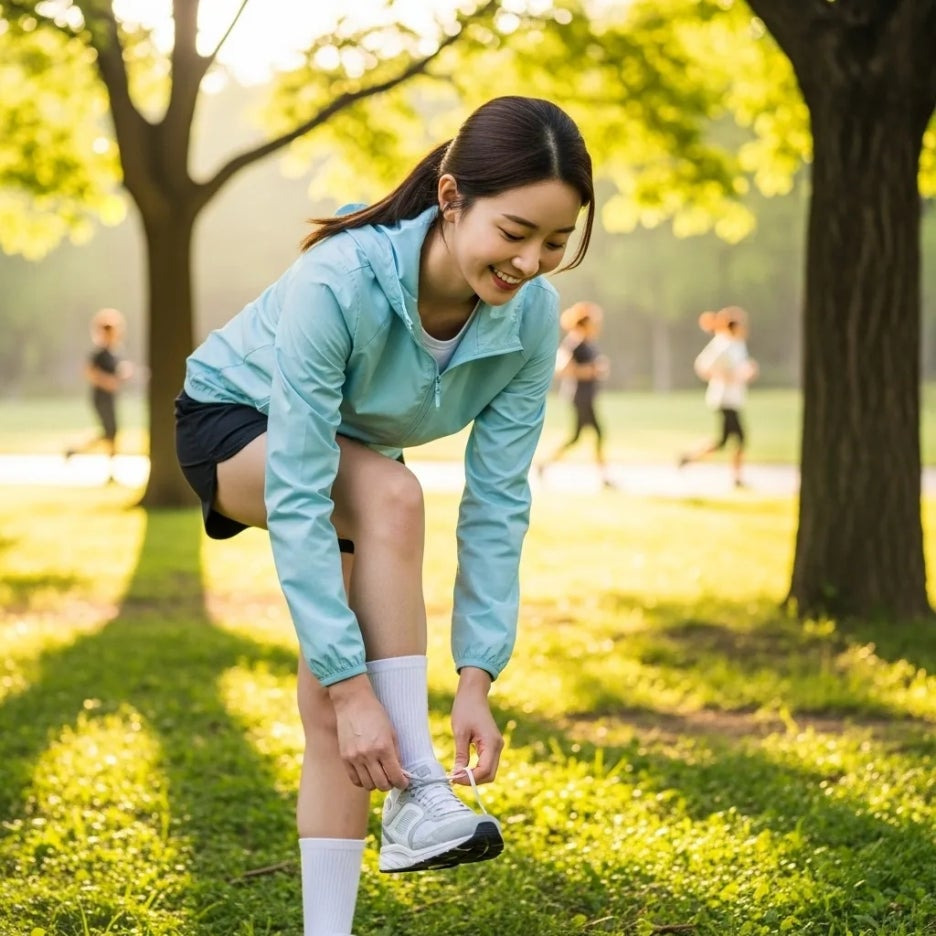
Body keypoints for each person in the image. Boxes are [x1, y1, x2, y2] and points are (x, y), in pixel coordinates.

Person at [174, 96, 595, 936]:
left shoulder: (533, 322)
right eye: (514, 232)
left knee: (338, 710)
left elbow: (499, 502)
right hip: (237, 420)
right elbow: (298, 489)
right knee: (389, 507)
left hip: (354, 459)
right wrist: (352, 682)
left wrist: (477, 675)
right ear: (450, 198)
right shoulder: (341, 279)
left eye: (555, 242)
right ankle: (420, 795)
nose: (531, 262)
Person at [678, 305, 758, 487]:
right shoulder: (722, 344)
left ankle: (690, 458)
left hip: (735, 398)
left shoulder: (738, 344)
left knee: (725, 440)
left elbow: (740, 369)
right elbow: (703, 366)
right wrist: (725, 376)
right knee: (738, 438)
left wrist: (748, 372)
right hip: (724, 399)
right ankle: (736, 477)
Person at [537, 300, 613, 487]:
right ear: (584, 323)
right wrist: (590, 371)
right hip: (579, 396)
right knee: (590, 435)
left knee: (581, 436)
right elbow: (562, 369)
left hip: (587, 395)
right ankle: (603, 477)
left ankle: (545, 465)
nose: (597, 325)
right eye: (594, 321)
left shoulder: (588, 342)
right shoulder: (575, 342)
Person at [65, 307, 134, 482]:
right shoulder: (99, 353)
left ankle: (77, 451)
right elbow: (90, 372)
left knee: (110, 432)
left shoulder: (114, 352)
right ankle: (106, 468)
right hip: (101, 397)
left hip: (110, 397)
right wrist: (108, 382)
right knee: (110, 431)